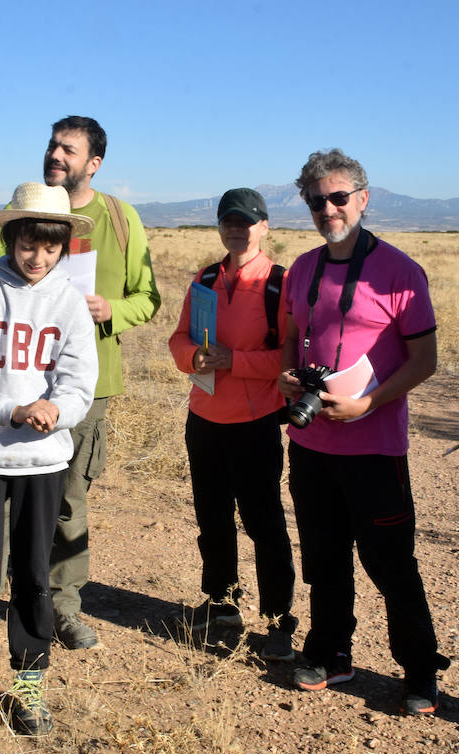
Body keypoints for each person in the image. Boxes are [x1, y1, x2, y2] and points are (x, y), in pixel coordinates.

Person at [0, 115, 160, 655]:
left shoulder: (122, 220)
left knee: (64, 505)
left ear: (93, 162)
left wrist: (111, 310)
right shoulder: (4, 251)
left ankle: (61, 611)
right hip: (0, 407)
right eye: (52, 145)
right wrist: (10, 406)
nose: (57, 154)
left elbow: (147, 298)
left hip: (78, 395)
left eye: (69, 149)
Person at [277, 149, 450, 714]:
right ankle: (331, 654)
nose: (327, 208)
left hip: (373, 447)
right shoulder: (302, 268)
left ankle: (421, 671)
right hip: (309, 444)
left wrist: (368, 403)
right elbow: (292, 340)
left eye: (337, 197)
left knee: (390, 562)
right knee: (323, 555)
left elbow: (424, 360)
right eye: (315, 200)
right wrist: (286, 377)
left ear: (363, 199)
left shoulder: (401, 271)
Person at [0, 182, 98, 734]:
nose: (37, 257)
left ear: (64, 248)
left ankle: (30, 678)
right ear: (10, 238)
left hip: (43, 460)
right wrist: (12, 409)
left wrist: (57, 411)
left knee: (34, 572)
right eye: (28, 244)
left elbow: (80, 380)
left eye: (50, 247)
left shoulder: (70, 302)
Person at [166, 188, 296, 660]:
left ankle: (279, 620)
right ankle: (221, 603)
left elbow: (289, 358)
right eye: (229, 221)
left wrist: (232, 360)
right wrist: (192, 356)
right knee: (213, 519)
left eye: (247, 221)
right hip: (204, 419)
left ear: (265, 226)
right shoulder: (204, 279)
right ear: (219, 226)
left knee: (264, 523)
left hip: (255, 424)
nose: (237, 229)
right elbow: (178, 338)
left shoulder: (280, 284)